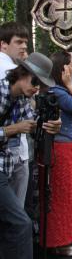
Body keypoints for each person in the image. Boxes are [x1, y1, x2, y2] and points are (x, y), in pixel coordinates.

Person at [0, 52, 60, 259]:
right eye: (35, 81)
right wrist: (12, 130)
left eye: (41, 85)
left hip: (5, 166)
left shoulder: (23, 99)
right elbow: (19, 127)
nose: (37, 88)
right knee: (21, 223)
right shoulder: (1, 90)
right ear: (22, 74)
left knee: (8, 225)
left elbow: (34, 123)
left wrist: (52, 125)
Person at [39, 51, 72, 256]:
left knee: (69, 193)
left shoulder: (58, 90)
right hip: (59, 148)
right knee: (61, 194)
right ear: (62, 68)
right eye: (71, 65)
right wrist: (69, 84)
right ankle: (59, 242)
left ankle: (67, 240)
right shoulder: (57, 91)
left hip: (67, 146)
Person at [0, 22, 31, 205]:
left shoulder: (17, 69)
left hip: (14, 153)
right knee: (16, 217)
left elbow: (29, 114)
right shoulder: (10, 73)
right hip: (13, 154)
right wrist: (13, 129)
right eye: (19, 42)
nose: (24, 47)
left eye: (26, 42)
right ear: (3, 44)